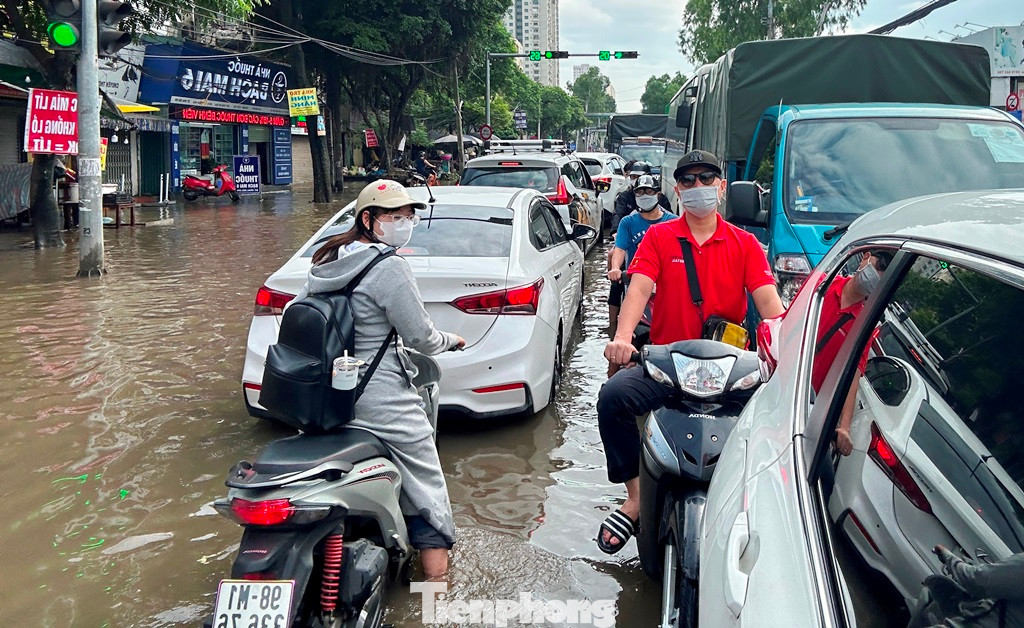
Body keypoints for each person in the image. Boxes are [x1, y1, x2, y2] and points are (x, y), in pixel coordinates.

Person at [595, 150, 785, 554]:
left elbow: (770, 305)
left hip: (730, 371)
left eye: (706, 179)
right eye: (689, 180)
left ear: (720, 187)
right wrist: (623, 337)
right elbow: (640, 288)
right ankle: (634, 498)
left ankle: (759, 506)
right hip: (668, 364)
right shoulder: (660, 238)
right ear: (678, 190)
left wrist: (787, 348)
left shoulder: (745, 244)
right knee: (612, 398)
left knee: (777, 422)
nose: (698, 187)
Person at [298, 180, 466, 578]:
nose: (404, 223)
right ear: (369, 219)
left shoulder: (328, 261)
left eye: (408, 216)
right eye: (394, 216)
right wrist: (451, 340)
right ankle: (434, 598)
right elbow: (420, 337)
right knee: (427, 485)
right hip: (379, 397)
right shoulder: (388, 267)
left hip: (325, 395)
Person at [811, 251, 892, 456]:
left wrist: (844, 428)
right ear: (865, 258)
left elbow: (852, 375)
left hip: (808, 400)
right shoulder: (821, 284)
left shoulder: (864, 327)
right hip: (782, 377)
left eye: (887, 273)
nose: (879, 274)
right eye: (880, 264)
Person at [605, 174, 676, 371]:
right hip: (635, 283)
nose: (645, 195)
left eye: (649, 191)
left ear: (657, 194)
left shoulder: (673, 222)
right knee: (623, 341)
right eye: (640, 192)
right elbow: (620, 249)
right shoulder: (628, 222)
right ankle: (611, 378)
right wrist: (616, 268)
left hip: (665, 288)